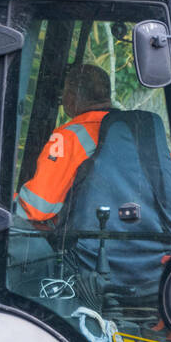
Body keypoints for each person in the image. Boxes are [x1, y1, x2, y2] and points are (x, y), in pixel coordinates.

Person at [17, 64, 113, 230]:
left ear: (71, 96)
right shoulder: (137, 134)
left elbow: (36, 208)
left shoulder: (68, 138)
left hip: (83, 249)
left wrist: (3, 203)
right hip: (152, 248)